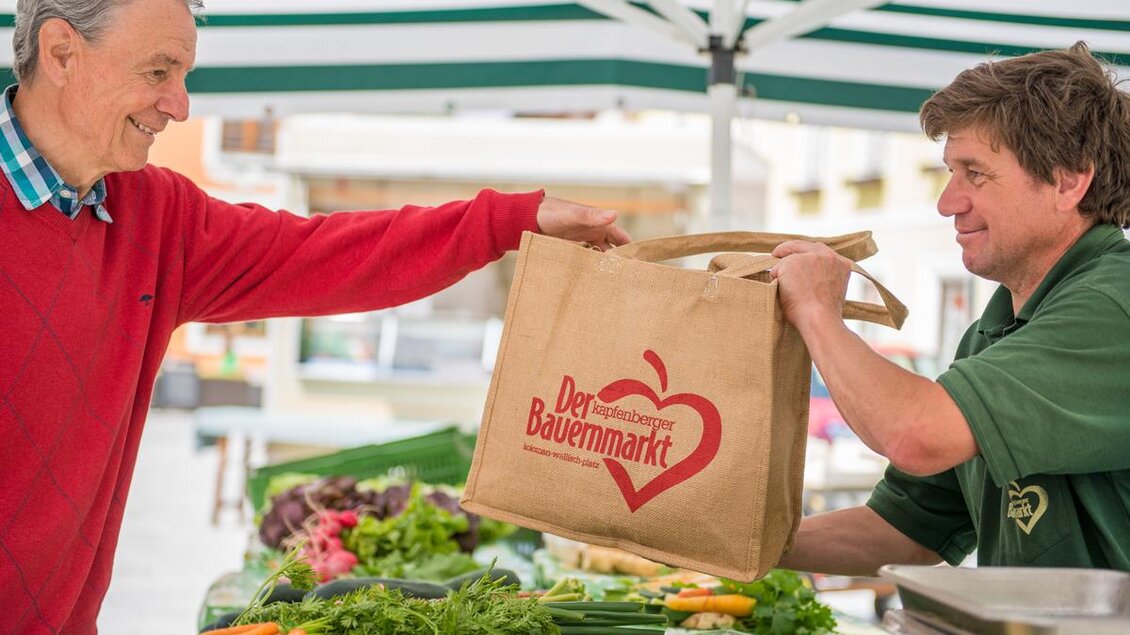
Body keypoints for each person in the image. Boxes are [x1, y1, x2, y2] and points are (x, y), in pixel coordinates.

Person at [0, 0, 630, 633]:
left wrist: (508, 223)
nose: (180, 105)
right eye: (159, 72)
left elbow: (330, 254)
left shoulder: (153, 217)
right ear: (60, 53)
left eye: (183, 75)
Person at [770, 41, 1130, 578]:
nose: (947, 202)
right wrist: (714, 538)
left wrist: (818, 312)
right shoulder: (997, 327)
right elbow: (907, 532)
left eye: (975, 174)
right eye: (949, 172)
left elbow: (916, 434)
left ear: (1068, 180)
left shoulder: (1112, 305)